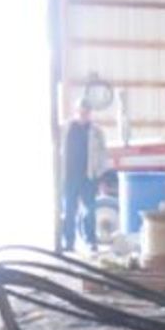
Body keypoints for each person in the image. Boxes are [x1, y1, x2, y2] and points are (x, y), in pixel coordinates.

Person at [59, 101, 107, 252]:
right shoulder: (65, 128)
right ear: (76, 111)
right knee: (69, 210)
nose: (83, 115)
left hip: (88, 177)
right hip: (69, 177)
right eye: (81, 112)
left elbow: (102, 155)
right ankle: (69, 242)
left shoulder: (97, 132)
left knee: (89, 210)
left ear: (90, 113)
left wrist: (100, 177)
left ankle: (91, 241)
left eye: (86, 112)